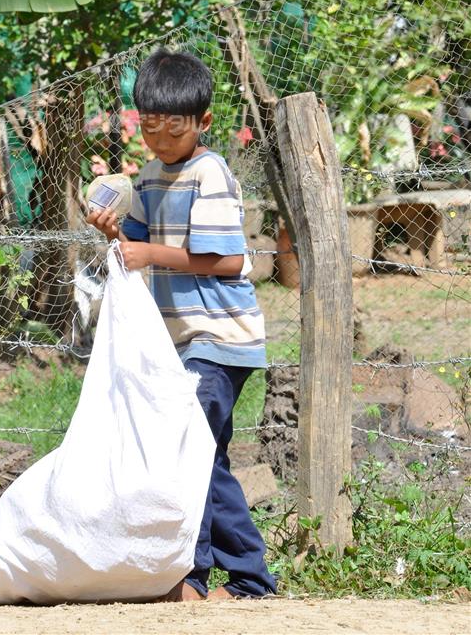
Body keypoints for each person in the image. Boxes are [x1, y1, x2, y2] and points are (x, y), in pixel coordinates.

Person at [87, 47, 277, 602]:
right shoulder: (149, 176)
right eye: (150, 129)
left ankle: (193, 579)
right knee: (205, 458)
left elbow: (224, 261)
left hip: (219, 339)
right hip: (184, 344)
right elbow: (135, 248)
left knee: (186, 453)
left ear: (204, 123)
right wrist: (109, 231)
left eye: (174, 131)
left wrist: (148, 254)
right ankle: (248, 580)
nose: (161, 141)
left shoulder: (209, 173)